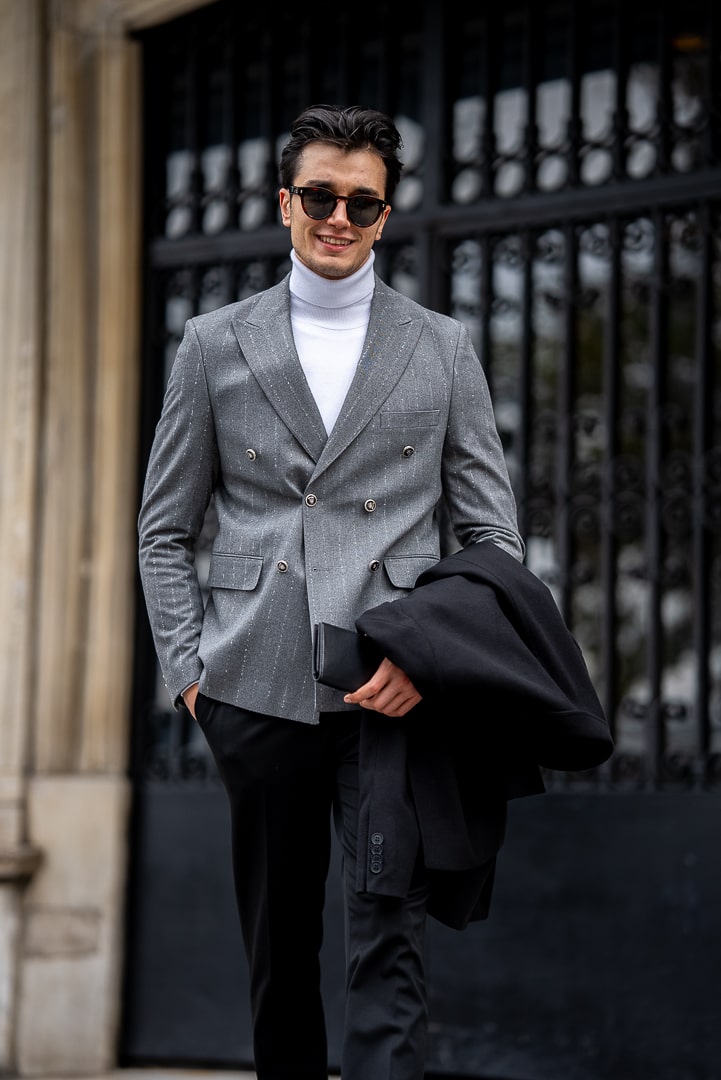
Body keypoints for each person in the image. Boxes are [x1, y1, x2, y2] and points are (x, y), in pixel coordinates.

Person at [138, 103, 525, 1080]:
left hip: (392, 689)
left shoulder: (441, 346)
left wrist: (429, 656)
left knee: (387, 933)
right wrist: (193, 676)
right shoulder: (213, 344)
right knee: (280, 952)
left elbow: (489, 534)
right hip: (252, 683)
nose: (339, 215)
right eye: (321, 195)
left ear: (386, 214)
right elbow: (163, 529)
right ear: (286, 203)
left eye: (362, 200)